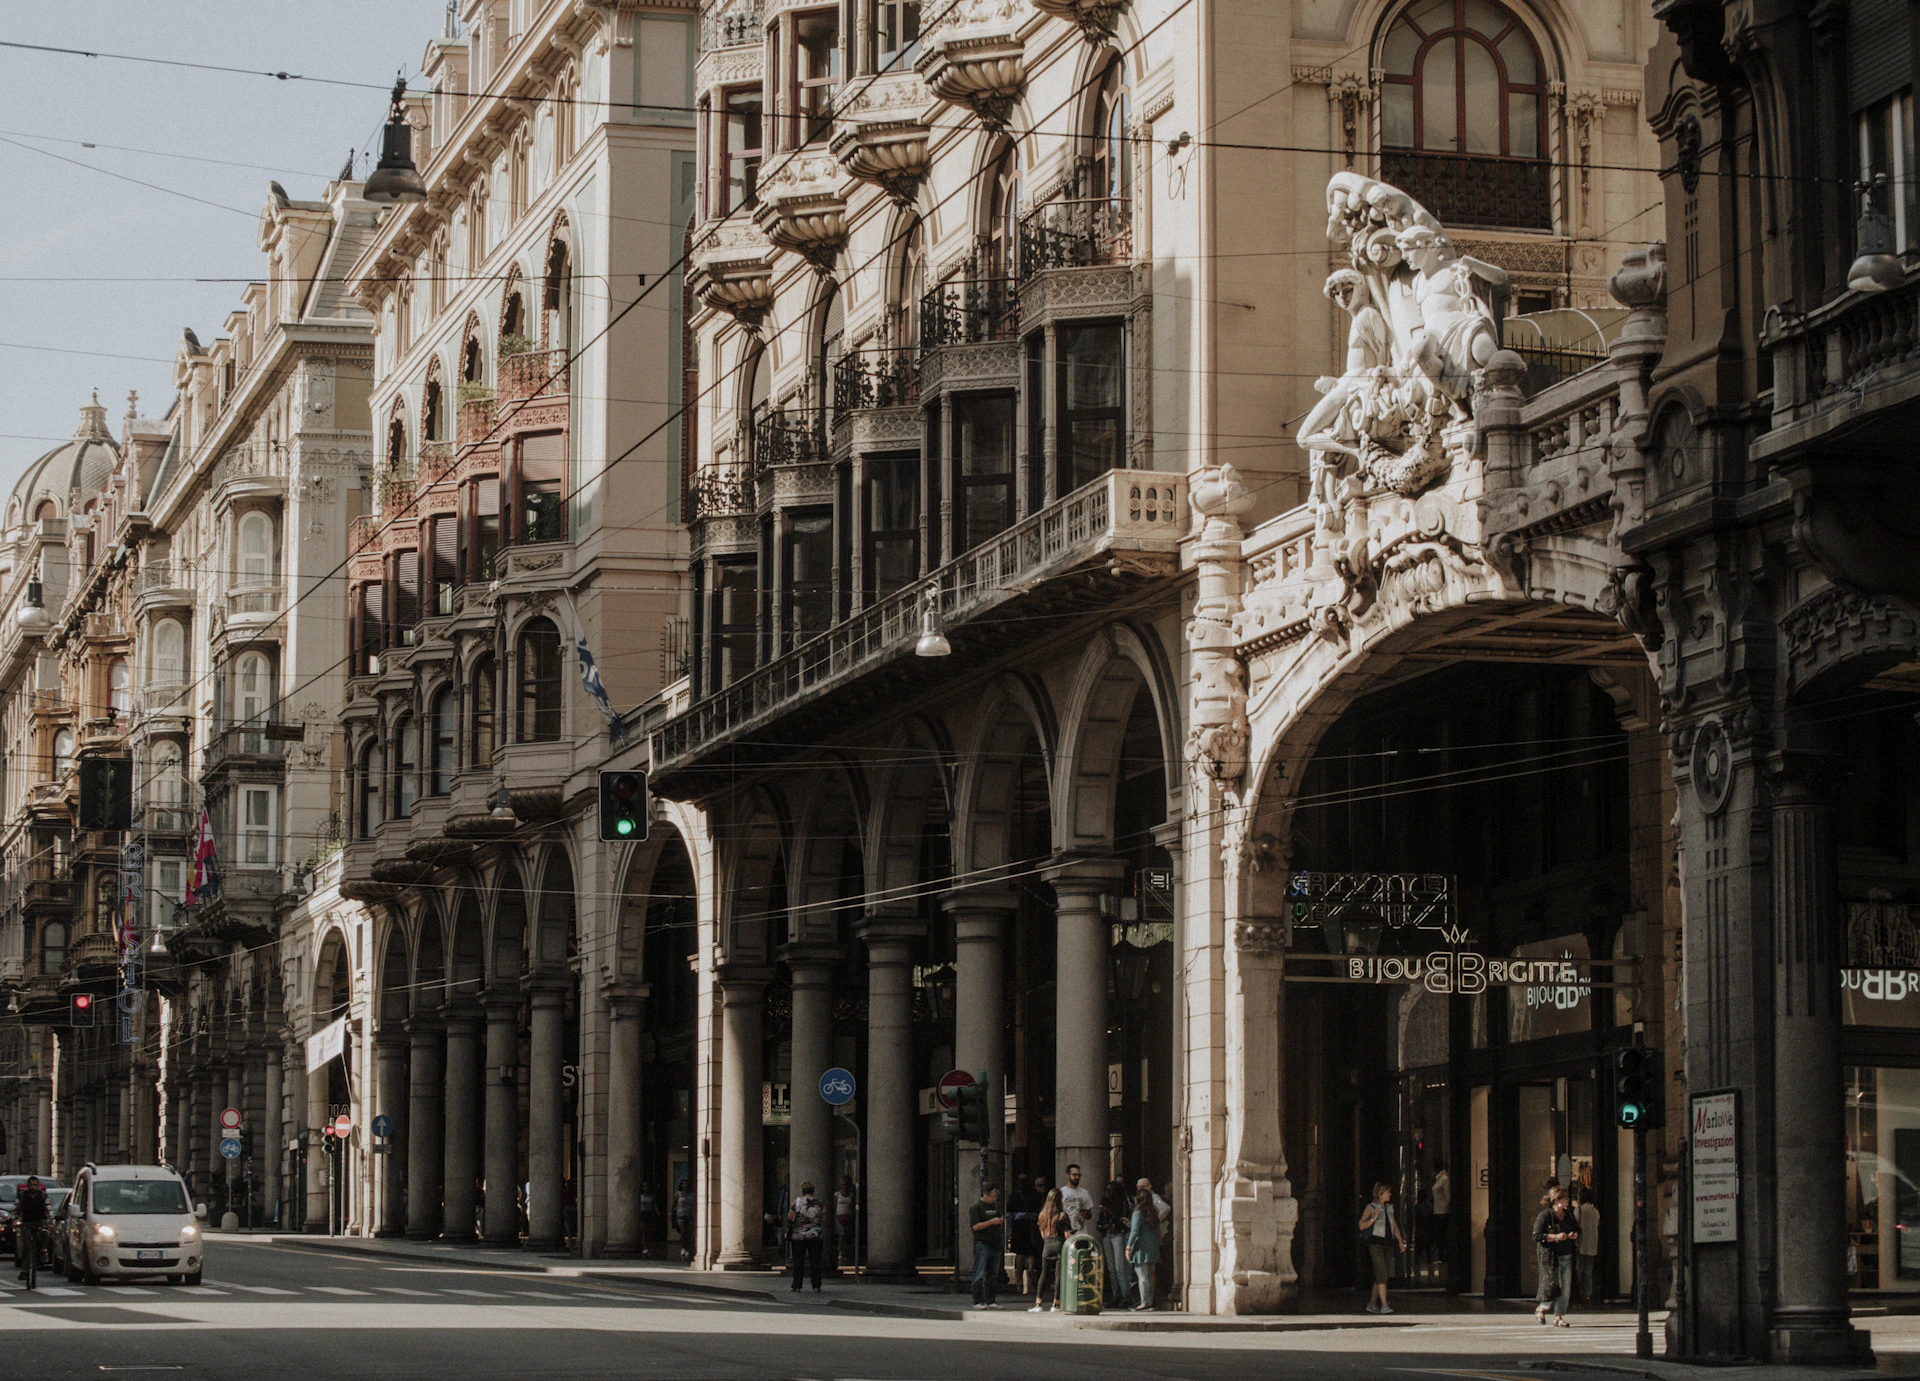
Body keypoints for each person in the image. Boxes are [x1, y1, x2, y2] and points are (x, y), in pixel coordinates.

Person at [1533, 1188, 1579, 1326]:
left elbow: (1576, 1229)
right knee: (1552, 1285)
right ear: (1557, 1200)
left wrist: (1573, 1235)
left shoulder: (1569, 1214)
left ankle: (1558, 1316)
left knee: (1566, 1287)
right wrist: (1555, 1237)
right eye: (1564, 1198)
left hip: (1566, 1254)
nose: (1568, 1200)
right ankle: (1542, 1308)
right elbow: (1537, 1235)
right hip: (1550, 1256)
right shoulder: (1546, 1215)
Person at [1358, 1181, 1405, 1314]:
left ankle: (1372, 1304)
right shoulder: (1371, 1207)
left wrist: (1400, 1240)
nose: (1390, 1194)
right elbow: (1361, 1225)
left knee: (1381, 1275)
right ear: (1380, 1193)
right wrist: (1373, 1218)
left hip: (1388, 1244)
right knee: (1382, 1273)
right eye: (1387, 1192)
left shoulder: (1389, 1208)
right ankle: (1384, 1304)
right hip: (1376, 1244)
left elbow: (1394, 1226)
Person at [1029, 1188, 1066, 1312]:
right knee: (1058, 1275)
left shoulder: (1042, 1215)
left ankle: (1038, 1303)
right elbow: (1067, 1235)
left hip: (1047, 1245)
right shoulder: (1061, 1215)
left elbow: (1042, 1233)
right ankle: (1056, 1303)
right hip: (1059, 1244)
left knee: (1044, 1274)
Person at [1008, 1175, 1046, 1296]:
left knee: (1019, 1254)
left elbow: (1009, 1215)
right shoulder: (1036, 1196)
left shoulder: (1014, 1196)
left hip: (1019, 1227)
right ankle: (1030, 1281)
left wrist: (1011, 1227)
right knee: (1031, 1253)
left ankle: (1019, 1282)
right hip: (1032, 1226)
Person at [1126, 1185, 1162, 1311]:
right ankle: (1150, 1301)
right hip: (1152, 1247)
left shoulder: (1137, 1213)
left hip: (1141, 1248)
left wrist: (1128, 1247)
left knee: (1142, 1276)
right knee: (1149, 1275)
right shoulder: (1152, 1212)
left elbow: (1134, 1231)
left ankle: (1144, 1302)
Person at [969, 1184, 1006, 1309]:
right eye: (992, 1196)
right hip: (982, 1242)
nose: (993, 1199)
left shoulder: (995, 1206)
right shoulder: (976, 1207)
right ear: (985, 1194)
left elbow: (999, 1218)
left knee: (993, 1274)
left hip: (995, 1242)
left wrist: (1000, 1221)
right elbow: (975, 1227)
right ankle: (977, 1300)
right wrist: (991, 1222)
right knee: (979, 1272)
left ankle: (991, 1300)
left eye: (995, 1197)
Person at [786, 1180, 825, 1292]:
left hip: (799, 1236)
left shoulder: (797, 1202)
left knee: (798, 1262)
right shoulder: (819, 1203)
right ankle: (816, 1285)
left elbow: (790, 1216)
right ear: (813, 1191)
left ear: (802, 1191)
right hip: (815, 1235)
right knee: (815, 1261)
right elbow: (824, 1219)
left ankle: (797, 1285)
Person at [1099, 1182, 1131, 1306]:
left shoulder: (1122, 1204)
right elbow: (1099, 1222)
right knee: (1112, 1270)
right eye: (1107, 1190)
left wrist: (1111, 1214)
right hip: (1107, 1235)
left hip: (1118, 1234)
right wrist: (1102, 1226)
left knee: (1120, 1268)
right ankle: (1116, 1297)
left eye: (1110, 1191)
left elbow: (1123, 1222)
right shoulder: (1104, 1203)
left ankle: (1126, 1297)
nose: (1108, 1193)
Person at [13, 1176, 48, 1281]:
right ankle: (24, 1270)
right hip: (27, 1222)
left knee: (44, 1232)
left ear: (38, 1186)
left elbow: (49, 1208)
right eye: (31, 1185)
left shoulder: (43, 1195)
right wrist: (15, 1219)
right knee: (26, 1246)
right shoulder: (22, 1195)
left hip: (40, 1220)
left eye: (35, 1185)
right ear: (28, 1186)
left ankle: (43, 1250)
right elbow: (16, 1208)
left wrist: (50, 1221)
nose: (33, 1187)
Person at [1575, 1188, 1601, 1305]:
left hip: (1581, 1243)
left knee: (1578, 1270)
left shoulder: (1579, 1210)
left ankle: (1577, 1294)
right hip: (1592, 1244)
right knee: (1588, 1271)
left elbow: (1575, 1224)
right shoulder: (1595, 1211)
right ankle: (1587, 1295)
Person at [1059, 1163, 1095, 1237]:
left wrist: (1085, 1213)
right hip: (1066, 1233)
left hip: (1081, 1232)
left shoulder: (1084, 1192)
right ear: (1067, 1175)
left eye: (1079, 1175)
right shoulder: (1061, 1192)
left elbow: (1089, 1215)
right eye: (1074, 1175)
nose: (1077, 1177)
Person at [1429, 1163, 1451, 1266]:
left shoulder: (1444, 1179)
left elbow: (1447, 1195)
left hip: (1442, 1211)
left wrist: (1447, 1208)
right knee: (1439, 1235)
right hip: (1438, 1210)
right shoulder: (1438, 1179)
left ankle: (1443, 1256)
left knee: (1441, 1235)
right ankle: (1441, 1255)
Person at [835, 1176, 856, 1268]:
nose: (844, 1187)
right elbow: (834, 1205)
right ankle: (840, 1251)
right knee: (842, 1233)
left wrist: (853, 1216)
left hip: (848, 1216)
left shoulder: (851, 1195)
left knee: (847, 1234)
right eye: (842, 1185)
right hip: (839, 1216)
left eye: (845, 1185)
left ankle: (846, 1251)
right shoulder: (837, 1194)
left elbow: (852, 1206)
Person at [672, 1179, 694, 1261]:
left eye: (686, 1183)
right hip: (680, 1215)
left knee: (689, 1233)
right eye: (683, 1183)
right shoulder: (678, 1194)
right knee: (683, 1232)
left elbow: (694, 1204)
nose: (685, 1185)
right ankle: (683, 1248)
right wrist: (671, 1214)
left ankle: (687, 1248)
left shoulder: (692, 1194)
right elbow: (674, 1204)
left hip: (690, 1215)